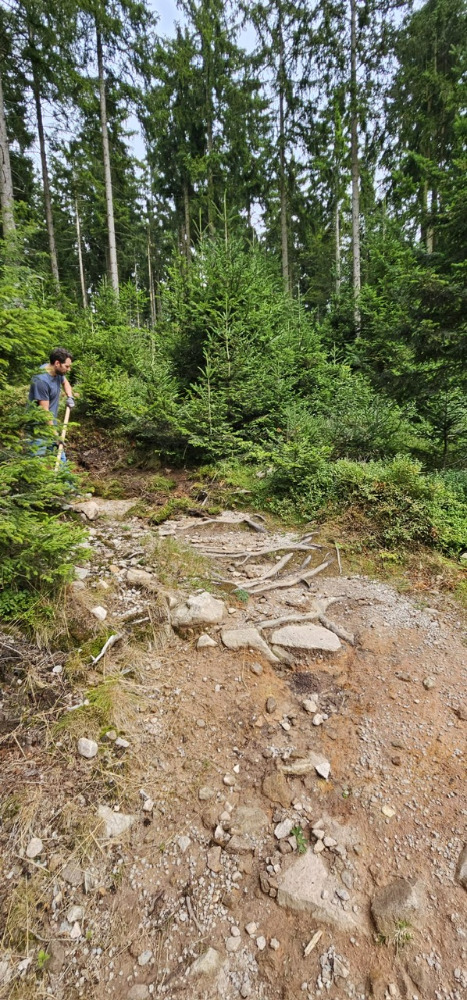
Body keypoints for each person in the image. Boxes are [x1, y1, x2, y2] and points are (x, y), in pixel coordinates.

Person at [28, 347, 75, 461]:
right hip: (38, 430)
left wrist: (70, 396)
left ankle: (63, 473)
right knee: (36, 463)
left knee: (61, 461)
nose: (68, 369)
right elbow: (45, 413)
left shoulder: (57, 371)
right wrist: (56, 436)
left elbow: (65, 383)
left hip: (50, 425)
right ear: (57, 363)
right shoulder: (41, 380)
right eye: (67, 366)